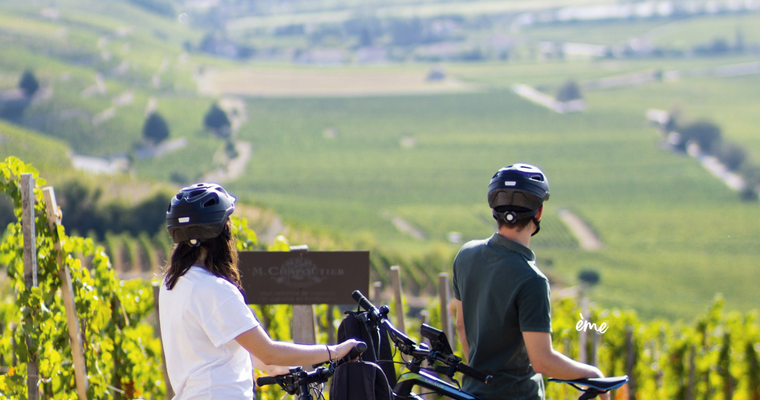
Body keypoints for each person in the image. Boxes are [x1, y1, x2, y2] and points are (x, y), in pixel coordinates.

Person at [159, 182, 360, 399]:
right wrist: (335, 352)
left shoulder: (173, 283)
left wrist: (272, 368)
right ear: (222, 230)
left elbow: (227, 347)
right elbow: (269, 352)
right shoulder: (215, 290)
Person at [453, 164, 608, 400]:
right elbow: (542, 361)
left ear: (495, 210)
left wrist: (482, 378)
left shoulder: (465, 254)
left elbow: (461, 326)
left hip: (473, 393)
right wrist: (593, 374)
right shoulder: (531, 279)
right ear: (539, 213)